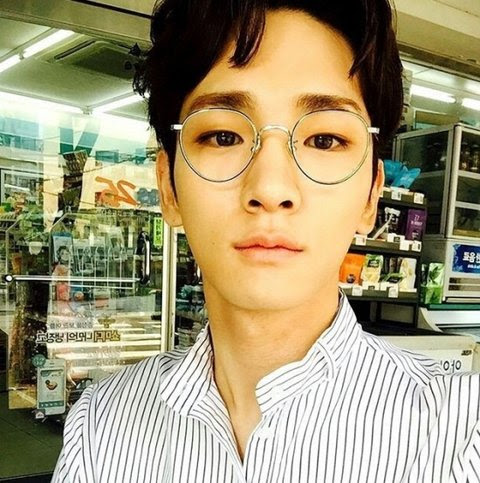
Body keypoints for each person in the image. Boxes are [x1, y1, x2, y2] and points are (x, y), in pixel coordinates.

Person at [53, 0, 480, 482]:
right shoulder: (103, 425)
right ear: (169, 187)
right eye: (222, 136)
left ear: (371, 195)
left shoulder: (461, 435)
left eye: (324, 140)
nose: (271, 188)